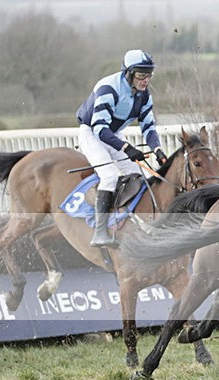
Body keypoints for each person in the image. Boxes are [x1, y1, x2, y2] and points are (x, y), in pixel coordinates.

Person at [76, 49, 167, 248]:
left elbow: (148, 127)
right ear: (128, 73)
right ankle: (100, 232)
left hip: (114, 134)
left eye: (149, 74)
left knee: (140, 175)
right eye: (141, 75)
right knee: (109, 176)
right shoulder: (108, 88)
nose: (146, 80)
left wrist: (157, 149)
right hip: (92, 133)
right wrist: (127, 148)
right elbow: (100, 129)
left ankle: (135, 222)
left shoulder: (144, 95)